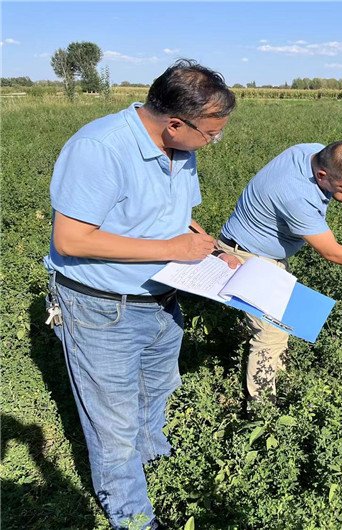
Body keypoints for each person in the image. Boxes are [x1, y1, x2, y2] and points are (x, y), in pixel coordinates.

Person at [43, 59, 237, 529]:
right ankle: (133, 517)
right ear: (175, 123)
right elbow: (71, 239)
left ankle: (152, 465)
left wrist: (210, 245)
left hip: (161, 299)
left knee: (157, 389)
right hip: (101, 308)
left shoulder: (179, 148)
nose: (213, 143)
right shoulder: (100, 148)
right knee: (114, 424)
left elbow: (178, 216)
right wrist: (173, 248)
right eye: (211, 134)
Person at [218, 141, 342, 400]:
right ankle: (263, 407)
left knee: (283, 322)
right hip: (247, 256)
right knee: (271, 332)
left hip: (265, 254)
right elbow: (332, 252)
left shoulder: (313, 153)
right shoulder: (295, 194)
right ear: (322, 175)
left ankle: (279, 380)